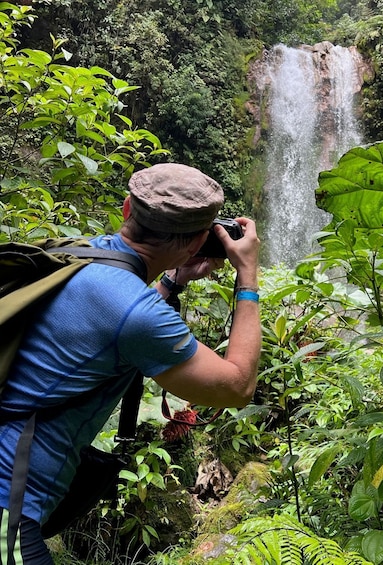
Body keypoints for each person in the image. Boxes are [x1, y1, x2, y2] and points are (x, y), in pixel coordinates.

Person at [0, 163, 261, 564]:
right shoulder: (133, 311)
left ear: (126, 210)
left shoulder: (76, 254)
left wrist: (173, 282)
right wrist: (247, 277)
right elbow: (237, 387)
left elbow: (112, 320)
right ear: (196, 244)